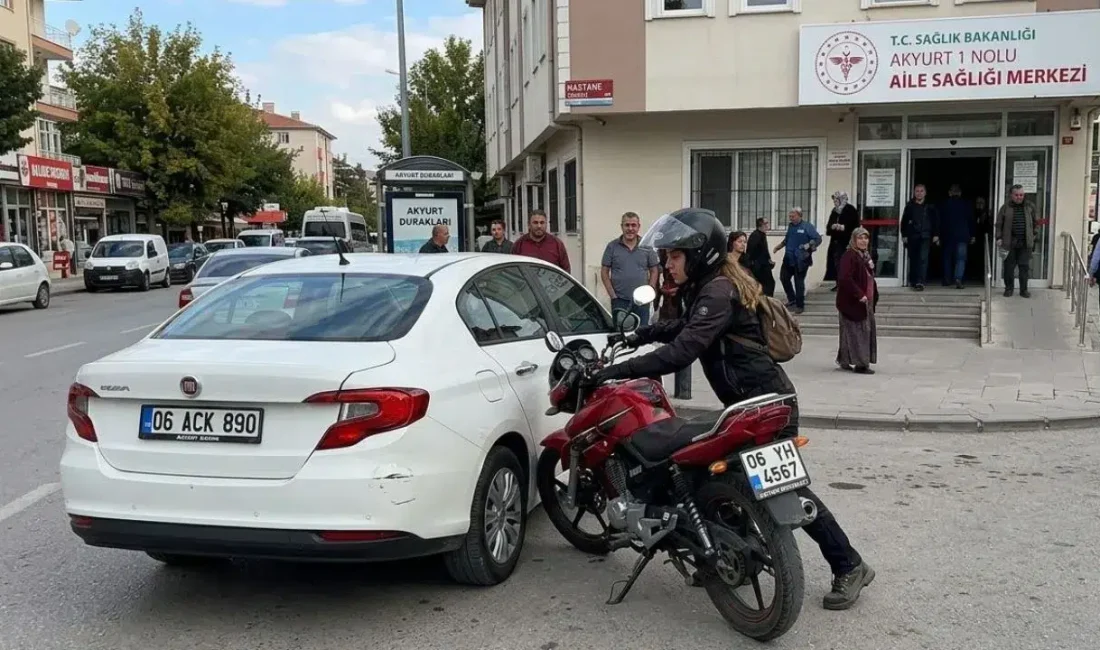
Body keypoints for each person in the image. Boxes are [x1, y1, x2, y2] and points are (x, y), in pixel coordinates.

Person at [593, 207, 874, 611]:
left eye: (673, 256)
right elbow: (684, 327)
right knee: (723, 479)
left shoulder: (718, 290)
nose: (667, 264)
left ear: (699, 254)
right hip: (746, 403)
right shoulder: (708, 286)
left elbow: (684, 349)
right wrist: (641, 333)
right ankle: (728, 559)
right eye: (667, 256)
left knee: (785, 489)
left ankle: (850, 565)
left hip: (767, 402)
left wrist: (617, 371)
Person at [601, 211, 660, 326]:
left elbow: (654, 269)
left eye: (633, 225)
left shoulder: (646, 246)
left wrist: (650, 289)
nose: (630, 228)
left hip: (642, 301)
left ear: (639, 227)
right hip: (620, 301)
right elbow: (604, 272)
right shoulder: (612, 246)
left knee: (642, 333)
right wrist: (613, 295)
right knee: (621, 334)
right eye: (627, 225)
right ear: (621, 226)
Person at [836, 228, 878, 374]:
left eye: (866, 238)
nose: (863, 241)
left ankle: (845, 360)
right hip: (853, 302)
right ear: (854, 240)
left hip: (866, 301)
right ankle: (861, 364)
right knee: (859, 332)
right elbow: (845, 278)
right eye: (860, 238)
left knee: (854, 332)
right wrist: (859, 294)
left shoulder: (864, 256)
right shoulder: (849, 256)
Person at [654, 249, 692, 400]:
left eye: (674, 257)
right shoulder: (661, 252)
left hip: (682, 298)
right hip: (669, 302)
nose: (670, 264)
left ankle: (684, 390)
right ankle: (681, 390)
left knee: (685, 342)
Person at [772, 208, 821, 314]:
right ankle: (792, 299)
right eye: (789, 216)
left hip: (801, 260)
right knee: (784, 278)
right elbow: (787, 239)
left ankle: (800, 305)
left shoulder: (807, 226)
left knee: (798, 282)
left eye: (792, 216)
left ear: (799, 216)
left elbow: (818, 239)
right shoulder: (790, 226)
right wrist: (779, 247)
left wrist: (809, 245)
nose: (790, 218)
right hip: (788, 259)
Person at [994, 184, 1038, 298]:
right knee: (1009, 267)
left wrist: (1034, 235)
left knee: (1024, 267)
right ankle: (1009, 289)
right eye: (1017, 195)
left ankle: (1024, 290)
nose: (1019, 197)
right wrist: (998, 237)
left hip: (1025, 243)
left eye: (1021, 195)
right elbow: (999, 224)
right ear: (1011, 195)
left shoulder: (1030, 207)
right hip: (1009, 243)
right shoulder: (1005, 207)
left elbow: (1036, 223)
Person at [900, 184, 939, 291]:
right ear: (914, 193)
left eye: (921, 191)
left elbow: (936, 221)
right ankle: (914, 280)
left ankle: (920, 281)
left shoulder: (930, 206)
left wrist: (936, 234)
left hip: (926, 236)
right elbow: (904, 222)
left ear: (925, 193)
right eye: (917, 191)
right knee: (913, 259)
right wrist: (904, 235)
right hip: (913, 236)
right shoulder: (910, 206)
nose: (919, 193)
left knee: (923, 259)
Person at [824, 191, 860, 292]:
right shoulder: (834, 211)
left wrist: (843, 227)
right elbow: (829, 227)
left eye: (837, 199)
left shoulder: (850, 210)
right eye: (834, 200)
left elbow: (855, 226)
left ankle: (848, 284)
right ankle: (839, 283)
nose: (835, 202)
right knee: (836, 263)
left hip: (847, 242)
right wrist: (833, 226)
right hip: (836, 242)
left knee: (846, 263)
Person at [939, 184, 974, 289]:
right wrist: (972, 235)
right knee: (961, 258)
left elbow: (940, 221)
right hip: (962, 235)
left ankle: (947, 279)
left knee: (947, 258)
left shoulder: (944, 204)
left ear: (950, 193)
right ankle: (958, 278)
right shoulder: (966, 204)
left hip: (947, 235)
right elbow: (971, 220)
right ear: (960, 193)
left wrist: (938, 235)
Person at [745, 218, 776, 297]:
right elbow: (750, 251)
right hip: (759, 267)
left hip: (764, 265)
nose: (767, 225)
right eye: (766, 223)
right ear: (761, 225)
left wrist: (769, 260)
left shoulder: (762, 235)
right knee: (767, 285)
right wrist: (751, 264)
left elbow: (764, 250)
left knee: (770, 284)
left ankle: (766, 302)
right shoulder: (755, 235)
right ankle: (765, 303)